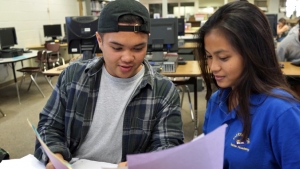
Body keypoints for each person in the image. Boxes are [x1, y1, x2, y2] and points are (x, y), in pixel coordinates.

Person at [34, 0, 184, 168]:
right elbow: (49, 124)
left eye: (138, 48)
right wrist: (55, 155)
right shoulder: (73, 77)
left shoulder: (163, 91)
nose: (127, 58)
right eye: (117, 48)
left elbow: (168, 145)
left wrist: (141, 164)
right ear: (99, 40)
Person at [196, 1, 300, 168]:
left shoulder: (281, 112)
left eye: (223, 58)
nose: (213, 67)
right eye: (208, 56)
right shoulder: (217, 101)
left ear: (253, 54)